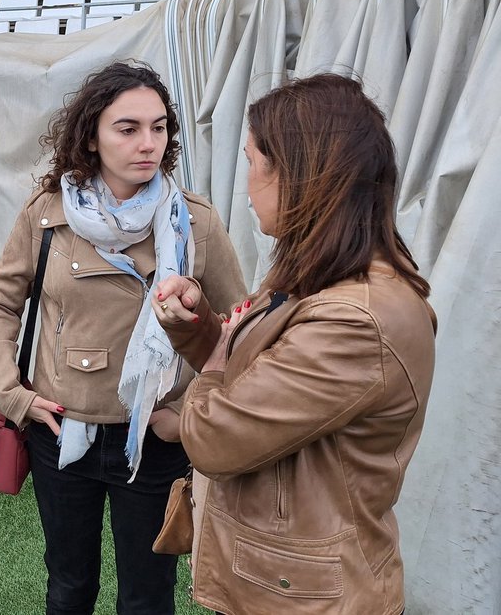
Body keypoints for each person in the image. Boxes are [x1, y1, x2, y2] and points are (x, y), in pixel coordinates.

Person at [154, 73, 437, 615]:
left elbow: (216, 437)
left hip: (308, 599)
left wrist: (210, 360)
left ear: (300, 175)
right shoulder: (321, 277)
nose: (247, 179)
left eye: (253, 161)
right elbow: (261, 372)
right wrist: (201, 329)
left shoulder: (355, 320)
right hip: (284, 582)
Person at [0, 62, 245, 615]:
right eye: (127, 128)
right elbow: (0, 303)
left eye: (159, 127)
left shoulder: (193, 223)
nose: (148, 143)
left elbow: (239, 329)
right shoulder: (48, 213)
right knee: (68, 589)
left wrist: (185, 413)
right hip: (60, 432)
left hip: (154, 440)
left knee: (147, 599)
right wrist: (11, 394)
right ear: (92, 136)